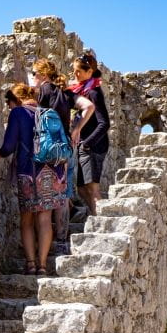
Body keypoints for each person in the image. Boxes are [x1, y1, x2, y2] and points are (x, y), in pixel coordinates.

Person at [0, 83, 68, 275]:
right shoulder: (48, 112)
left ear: (16, 100)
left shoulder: (18, 113)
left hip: (29, 171)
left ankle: (30, 264)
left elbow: (8, 146)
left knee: (26, 220)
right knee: (45, 219)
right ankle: (43, 265)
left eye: (9, 103)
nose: (9, 108)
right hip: (53, 171)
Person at [31, 59, 95, 254]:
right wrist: (76, 130)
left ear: (42, 75)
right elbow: (89, 106)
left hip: (45, 152)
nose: (32, 77)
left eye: (34, 73)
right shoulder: (66, 92)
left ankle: (41, 244)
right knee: (63, 196)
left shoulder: (43, 91)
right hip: (66, 150)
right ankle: (61, 242)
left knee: (47, 196)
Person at [66, 52, 110, 217]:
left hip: (93, 145)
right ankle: (95, 216)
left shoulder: (93, 93)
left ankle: (102, 223)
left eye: (79, 71)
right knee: (82, 188)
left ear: (89, 72)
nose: (75, 75)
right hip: (86, 145)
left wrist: (87, 143)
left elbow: (104, 123)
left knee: (92, 187)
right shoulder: (84, 90)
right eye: (74, 71)